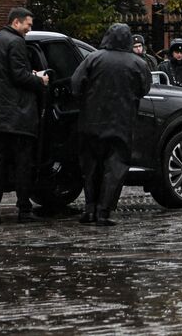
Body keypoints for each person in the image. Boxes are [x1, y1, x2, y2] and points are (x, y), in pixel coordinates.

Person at [70, 22, 151, 226]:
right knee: (115, 168)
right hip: (121, 123)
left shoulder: (93, 58)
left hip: (91, 121)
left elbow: (75, 83)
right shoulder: (137, 63)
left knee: (91, 167)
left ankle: (89, 209)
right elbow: (145, 88)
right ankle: (104, 211)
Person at [0, 7, 49, 224]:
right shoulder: (16, 42)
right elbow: (19, 76)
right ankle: (24, 210)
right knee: (22, 164)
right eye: (27, 24)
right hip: (17, 116)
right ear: (16, 22)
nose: (29, 29)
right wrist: (39, 80)